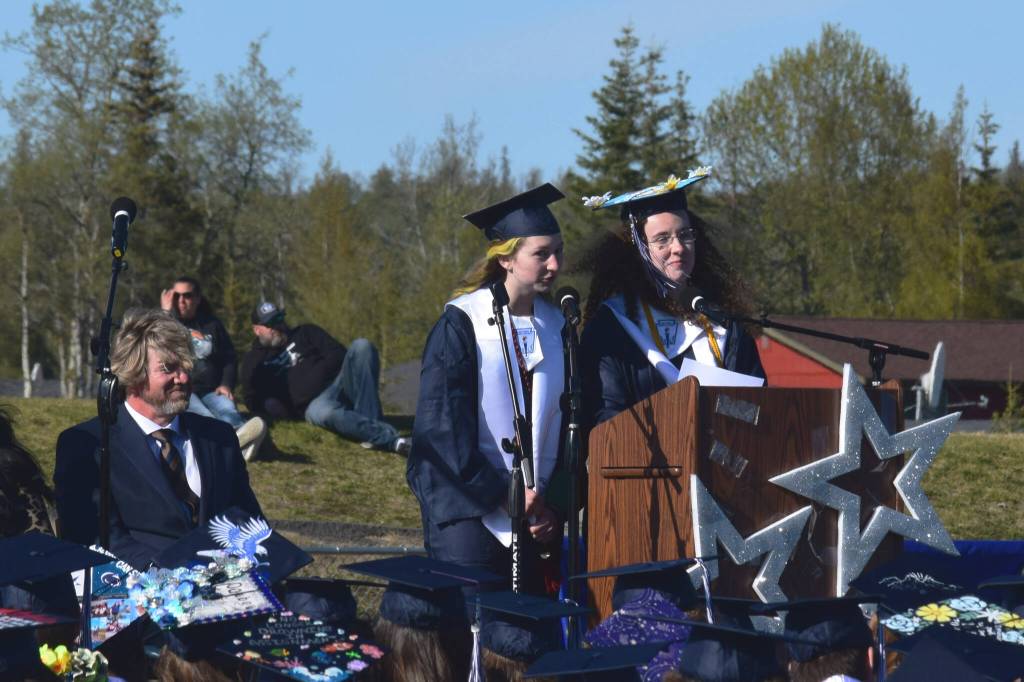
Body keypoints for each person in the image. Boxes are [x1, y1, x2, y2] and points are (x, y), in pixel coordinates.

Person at [406, 183, 568, 648]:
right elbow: (442, 432)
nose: (554, 265)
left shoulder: (559, 326)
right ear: (506, 258)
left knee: (530, 647)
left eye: (558, 252)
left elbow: (572, 424)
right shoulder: (461, 323)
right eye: (541, 254)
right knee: (476, 645)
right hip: (468, 511)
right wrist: (506, 496)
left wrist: (551, 502)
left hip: (536, 518)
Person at [54, 308, 264, 571]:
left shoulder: (218, 437)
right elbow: (95, 536)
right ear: (133, 373)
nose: (184, 377)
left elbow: (247, 518)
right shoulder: (90, 445)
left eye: (187, 366)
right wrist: (172, 575)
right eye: (169, 368)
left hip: (229, 590)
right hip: (140, 593)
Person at [579, 169, 765, 428]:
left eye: (685, 234)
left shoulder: (724, 323)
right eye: (662, 239)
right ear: (639, 250)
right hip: (648, 464)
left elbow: (759, 404)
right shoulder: (612, 328)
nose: (678, 247)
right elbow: (606, 419)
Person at [240, 302, 409, 454]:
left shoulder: (307, 332)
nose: (277, 327)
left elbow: (339, 355)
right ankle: (389, 439)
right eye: (270, 324)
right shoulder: (255, 362)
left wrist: (315, 374)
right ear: (257, 330)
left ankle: (372, 426)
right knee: (327, 414)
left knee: (362, 346)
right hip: (313, 405)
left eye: (278, 320)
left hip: (339, 384)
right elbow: (251, 398)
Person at [160, 276, 266, 461]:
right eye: (176, 296)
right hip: (183, 389)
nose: (182, 301)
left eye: (187, 296)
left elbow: (229, 358)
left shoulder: (212, 325)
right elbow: (158, 346)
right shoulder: (167, 324)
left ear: (198, 298)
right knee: (203, 414)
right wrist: (165, 312)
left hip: (212, 389)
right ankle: (234, 444)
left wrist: (226, 384)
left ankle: (237, 438)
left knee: (227, 410)